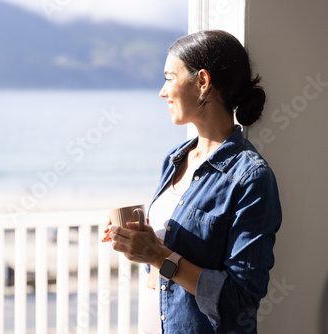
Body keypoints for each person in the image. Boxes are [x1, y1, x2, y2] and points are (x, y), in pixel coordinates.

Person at [102, 30, 282, 334]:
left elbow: (240, 303)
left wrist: (157, 255)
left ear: (202, 82)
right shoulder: (175, 158)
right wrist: (141, 242)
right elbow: (164, 266)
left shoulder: (251, 178)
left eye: (169, 78)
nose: (162, 92)